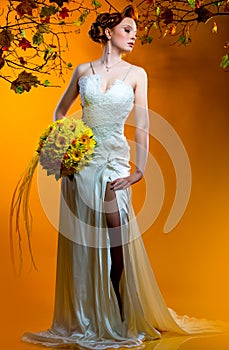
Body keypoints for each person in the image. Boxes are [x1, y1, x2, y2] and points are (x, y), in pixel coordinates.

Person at [22, 5, 229, 349]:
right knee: (83, 242)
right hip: (83, 162)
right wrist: (64, 154)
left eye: (135, 31)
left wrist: (141, 170)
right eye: (128, 29)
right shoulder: (82, 70)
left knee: (116, 235)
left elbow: (144, 124)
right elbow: (60, 112)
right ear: (108, 32)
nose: (134, 36)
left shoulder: (137, 73)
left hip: (116, 161)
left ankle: (120, 317)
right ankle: (87, 318)